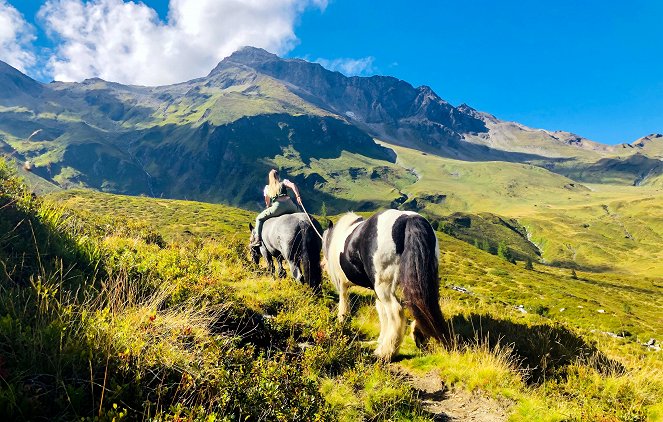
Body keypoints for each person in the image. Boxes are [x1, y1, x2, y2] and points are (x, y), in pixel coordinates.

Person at [250, 169, 302, 247]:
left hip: (277, 207)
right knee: (302, 216)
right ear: (278, 176)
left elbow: (267, 201)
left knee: (259, 218)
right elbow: (293, 185)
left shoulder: (267, 188)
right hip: (290, 205)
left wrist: (268, 207)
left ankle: (258, 239)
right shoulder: (284, 182)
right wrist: (298, 196)